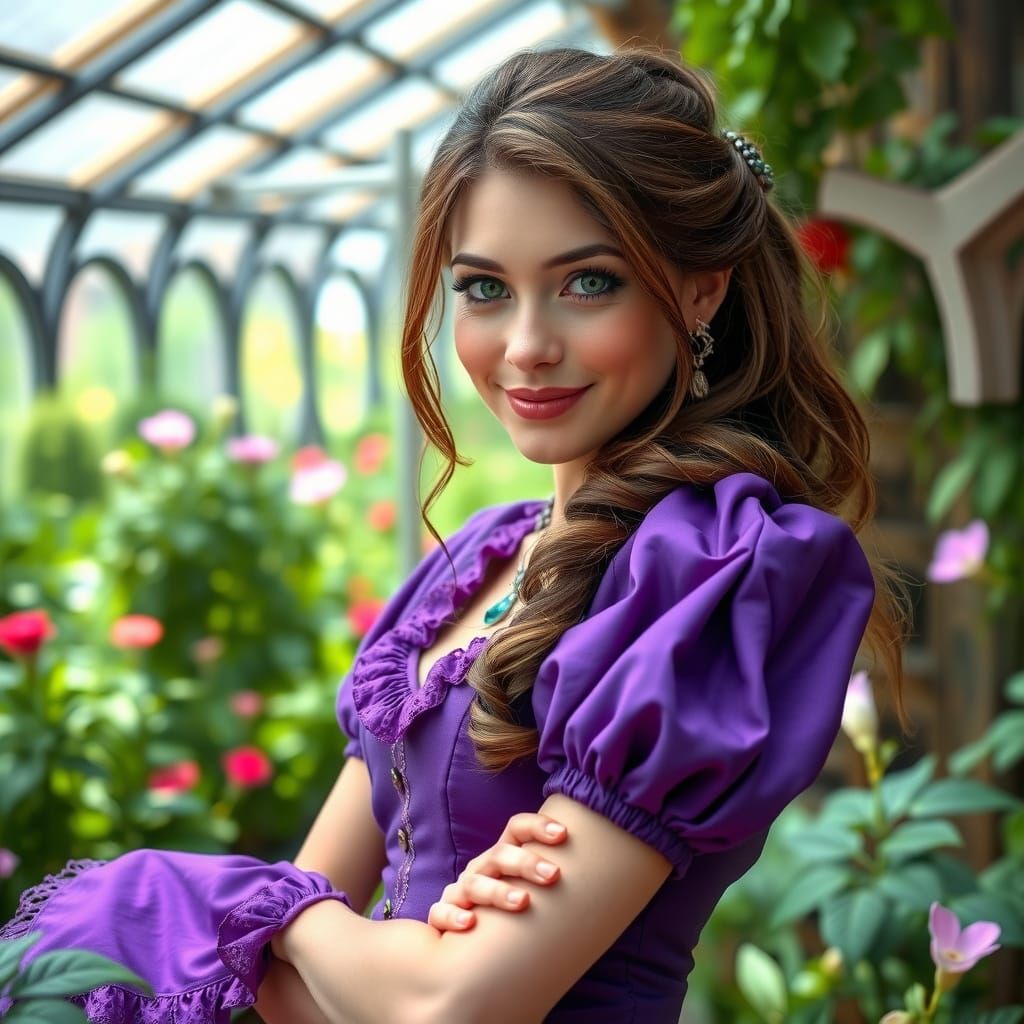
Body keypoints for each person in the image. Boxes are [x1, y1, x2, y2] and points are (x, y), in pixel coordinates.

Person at [0, 46, 905, 1024]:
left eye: (587, 282)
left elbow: (448, 1003)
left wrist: (237, 906)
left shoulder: (716, 568)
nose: (526, 346)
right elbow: (277, 970)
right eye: (483, 288)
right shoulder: (477, 558)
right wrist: (310, 934)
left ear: (700, 289)